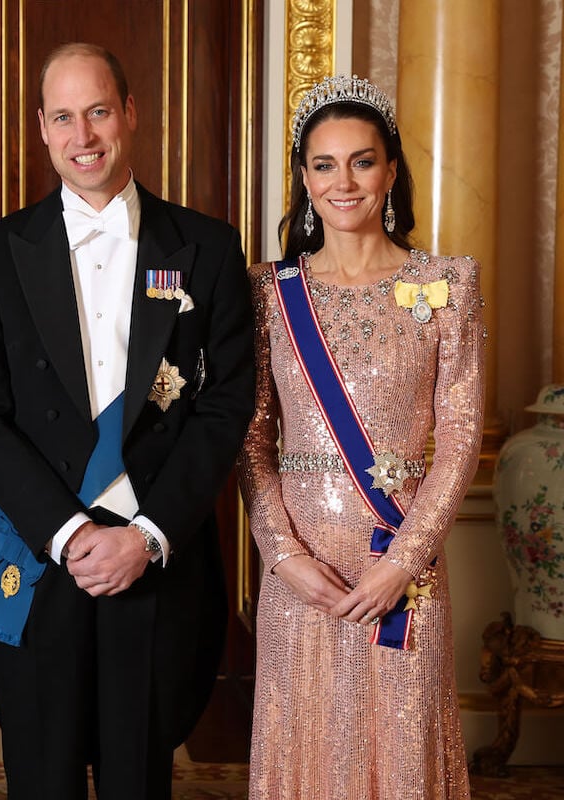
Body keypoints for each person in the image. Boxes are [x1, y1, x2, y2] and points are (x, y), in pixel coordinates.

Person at [0, 43, 255, 800]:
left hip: (154, 555)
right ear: (42, 130)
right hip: (43, 550)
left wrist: (146, 535)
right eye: (63, 117)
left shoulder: (208, 248)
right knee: (41, 779)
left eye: (97, 111)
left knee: (139, 778)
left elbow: (225, 406)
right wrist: (72, 534)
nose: (82, 135)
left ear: (130, 114)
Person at [238, 75, 481, 798]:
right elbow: (252, 437)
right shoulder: (268, 291)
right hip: (302, 572)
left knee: (400, 741)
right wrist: (282, 556)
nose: (343, 182)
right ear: (303, 178)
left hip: (402, 565)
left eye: (362, 160)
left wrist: (401, 563)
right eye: (323, 164)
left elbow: (463, 435)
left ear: (391, 169)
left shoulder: (448, 282)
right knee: (306, 740)